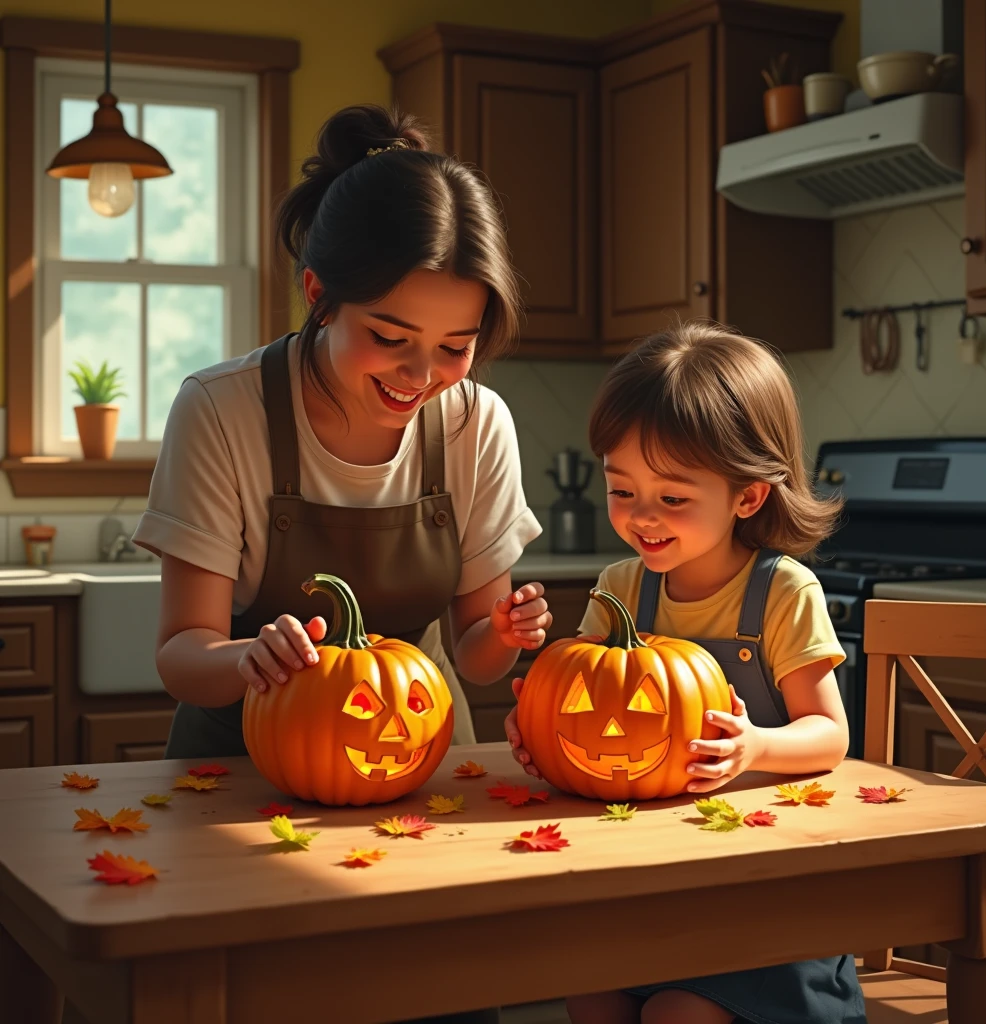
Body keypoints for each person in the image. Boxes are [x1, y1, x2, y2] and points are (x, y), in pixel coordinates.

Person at [135, 103, 549, 785]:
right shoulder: (222, 409)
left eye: (455, 347)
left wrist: (503, 635)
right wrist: (247, 659)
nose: (419, 378)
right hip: (241, 768)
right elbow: (182, 653)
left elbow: (475, 658)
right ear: (318, 294)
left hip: (416, 754)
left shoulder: (477, 423)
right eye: (389, 338)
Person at [504, 321, 867, 1024]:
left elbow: (830, 735)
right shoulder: (621, 588)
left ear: (748, 496)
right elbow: (572, 697)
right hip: (653, 888)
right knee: (589, 991)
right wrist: (536, 732)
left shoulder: (782, 593)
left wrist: (755, 746)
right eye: (621, 491)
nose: (642, 518)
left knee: (679, 1012)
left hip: (765, 899)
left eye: (671, 498)